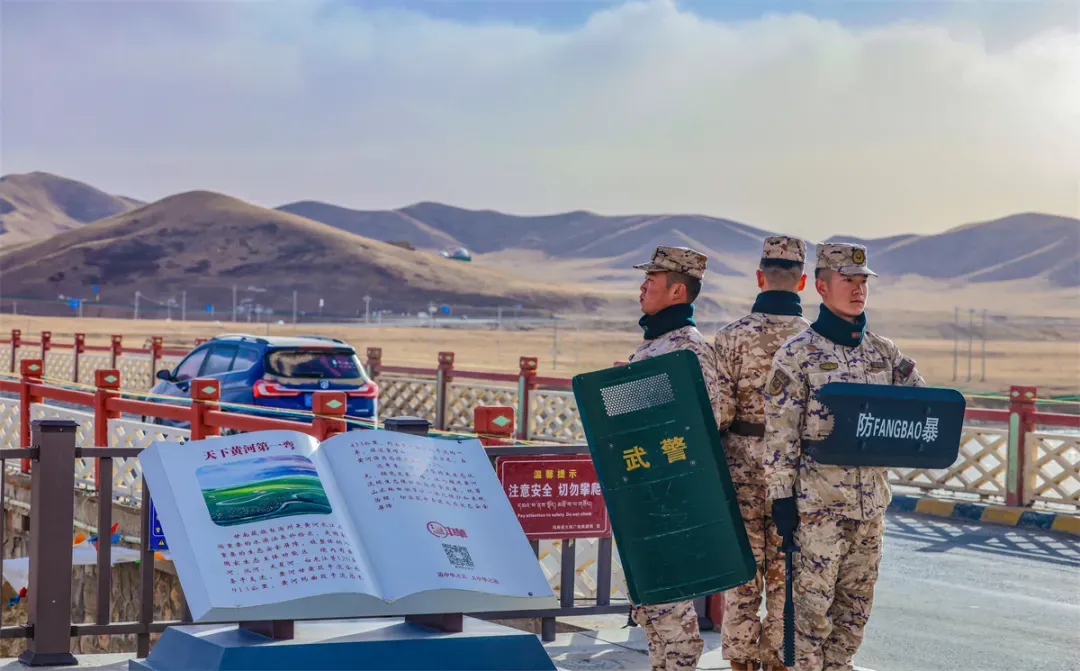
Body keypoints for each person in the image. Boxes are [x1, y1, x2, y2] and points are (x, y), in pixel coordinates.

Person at [763, 243, 925, 671]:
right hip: (817, 511)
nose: (858, 290)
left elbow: (922, 406)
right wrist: (781, 499)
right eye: (847, 280)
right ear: (821, 287)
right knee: (809, 619)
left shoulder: (884, 353)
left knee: (853, 615)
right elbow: (780, 434)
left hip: (869, 509)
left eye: (863, 281)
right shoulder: (797, 355)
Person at [711, 236, 811, 671]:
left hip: (739, 469)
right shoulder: (813, 342)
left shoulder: (730, 337)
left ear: (759, 277)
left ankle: (740, 661)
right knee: (788, 573)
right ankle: (779, 659)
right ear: (803, 282)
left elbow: (719, 411)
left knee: (742, 573)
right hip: (797, 472)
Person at [626, 244, 719, 671]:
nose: (642, 287)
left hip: (671, 499)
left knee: (670, 609)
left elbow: (702, 422)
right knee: (650, 609)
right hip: (645, 495)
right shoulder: (657, 344)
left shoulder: (688, 351)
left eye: (652, 280)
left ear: (677, 291)